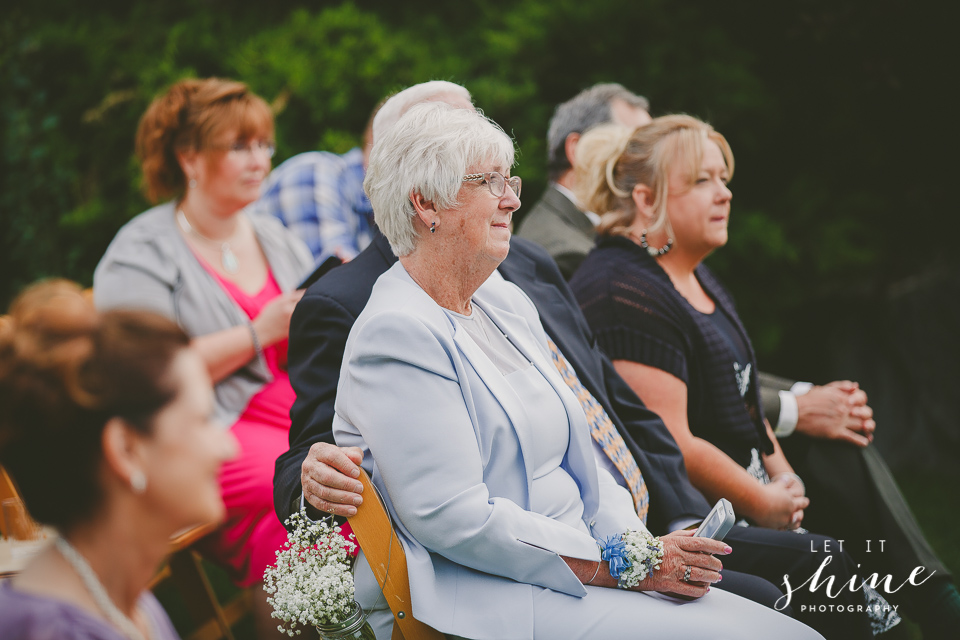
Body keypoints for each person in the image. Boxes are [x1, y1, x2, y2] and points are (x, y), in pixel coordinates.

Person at [276, 83, 875, 639]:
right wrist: (625, 565)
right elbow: (456, 521)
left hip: (588, 563)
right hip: (496, 592)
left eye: (510, 179)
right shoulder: (395, 333)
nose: (513, 198)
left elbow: (588, 449)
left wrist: (634, 546)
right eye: (490, 182)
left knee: (792, 626)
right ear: (426, 203)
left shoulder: (504, 299)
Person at [568, 117, 959, 637]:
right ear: (646, 199)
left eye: (723, 179)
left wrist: (782, 476)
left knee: (846, 444)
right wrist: (765, 502)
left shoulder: (691, 269)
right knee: (835, 577)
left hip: (755, 484)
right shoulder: (623, 291)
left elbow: (745, 396)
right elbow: (673, 442)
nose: (723, 194)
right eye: (702, 181)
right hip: (704, 514)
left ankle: (935, 601)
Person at [93, 77, 313, 639]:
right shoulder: (140, 252)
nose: (260, 160)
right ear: (189, 157)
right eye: (239, 146)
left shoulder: (275, 236)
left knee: (357, 469)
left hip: (297, 411)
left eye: (264, 144)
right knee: (297, 486)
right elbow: (139, 375)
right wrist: (257, 332)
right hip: (202, 429)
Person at [0, 280, 237, 640]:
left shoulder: (124, 597)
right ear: (126, 450)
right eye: (202, 421)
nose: (228, 447)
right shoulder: (54, 632)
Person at [516, 83, 651, 279]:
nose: (648, 162)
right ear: (579, 150)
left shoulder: (584, 234)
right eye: (635, 146)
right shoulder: (568, 254)